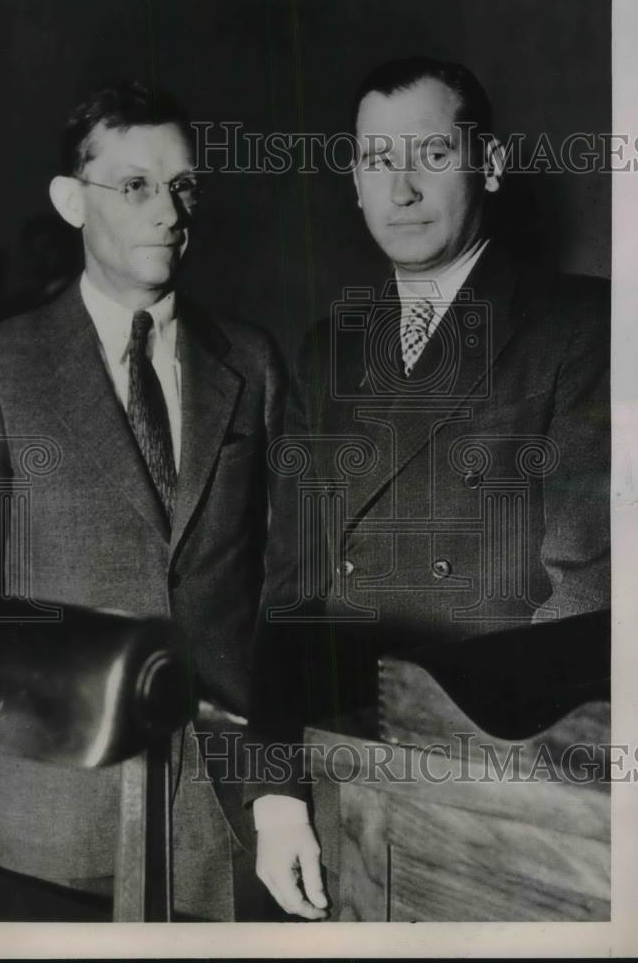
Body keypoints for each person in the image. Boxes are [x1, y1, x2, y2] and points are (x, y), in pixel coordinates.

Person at [250, 56, 610, 917]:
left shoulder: (583, 326)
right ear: (353, 181)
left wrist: (496, 811)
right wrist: (272, 790)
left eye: (429, 156)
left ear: (487, 164)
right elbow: (289, 591)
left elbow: (585, 592)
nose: (400, 189)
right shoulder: (326, 350)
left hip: (498, 793)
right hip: (339, 780)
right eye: (377, 161)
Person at [0, 81, 294, 921]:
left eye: (182, 186)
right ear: (71, 200)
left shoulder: (251, 361)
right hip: (55, 815)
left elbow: (284, 597)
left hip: (228, 813)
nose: (166, 212)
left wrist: (279, 795)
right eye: (133, 185)